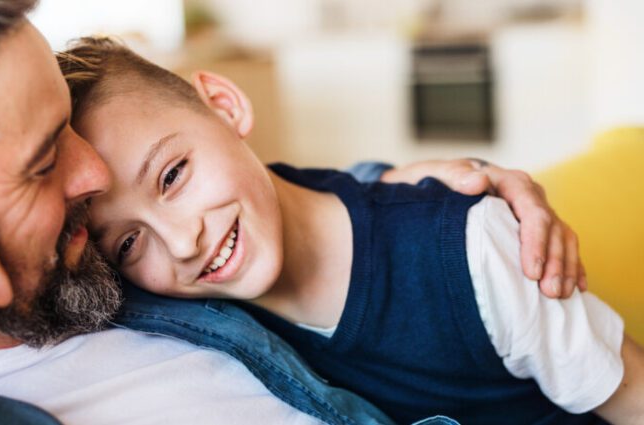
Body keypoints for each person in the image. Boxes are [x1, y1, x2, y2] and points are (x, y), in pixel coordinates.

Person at [0, 1, 589, 424]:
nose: (91, 172)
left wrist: (418, 194)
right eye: (41, 160)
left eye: (70, 127)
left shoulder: (89, 271)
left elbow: (248, 204)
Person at [57, 37, 644, 425]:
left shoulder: (471, 247)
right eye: (129, 243)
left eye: (173, 175)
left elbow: (630, 395)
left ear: (225, 105)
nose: (183, 242)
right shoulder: (192, 325)